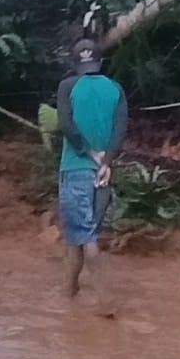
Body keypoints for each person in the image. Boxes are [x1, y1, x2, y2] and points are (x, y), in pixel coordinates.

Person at [57, 37, 128, 317]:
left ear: (75, 64)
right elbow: (120, 131)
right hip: (103, 173)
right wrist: (107, 161)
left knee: (85, 237)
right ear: (100, 61)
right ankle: (68, 294)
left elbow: (66, 124)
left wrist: (89, 153)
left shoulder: (67, 86)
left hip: (75, 169)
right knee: (77, 237)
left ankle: (106, 300)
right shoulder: (116, 89)